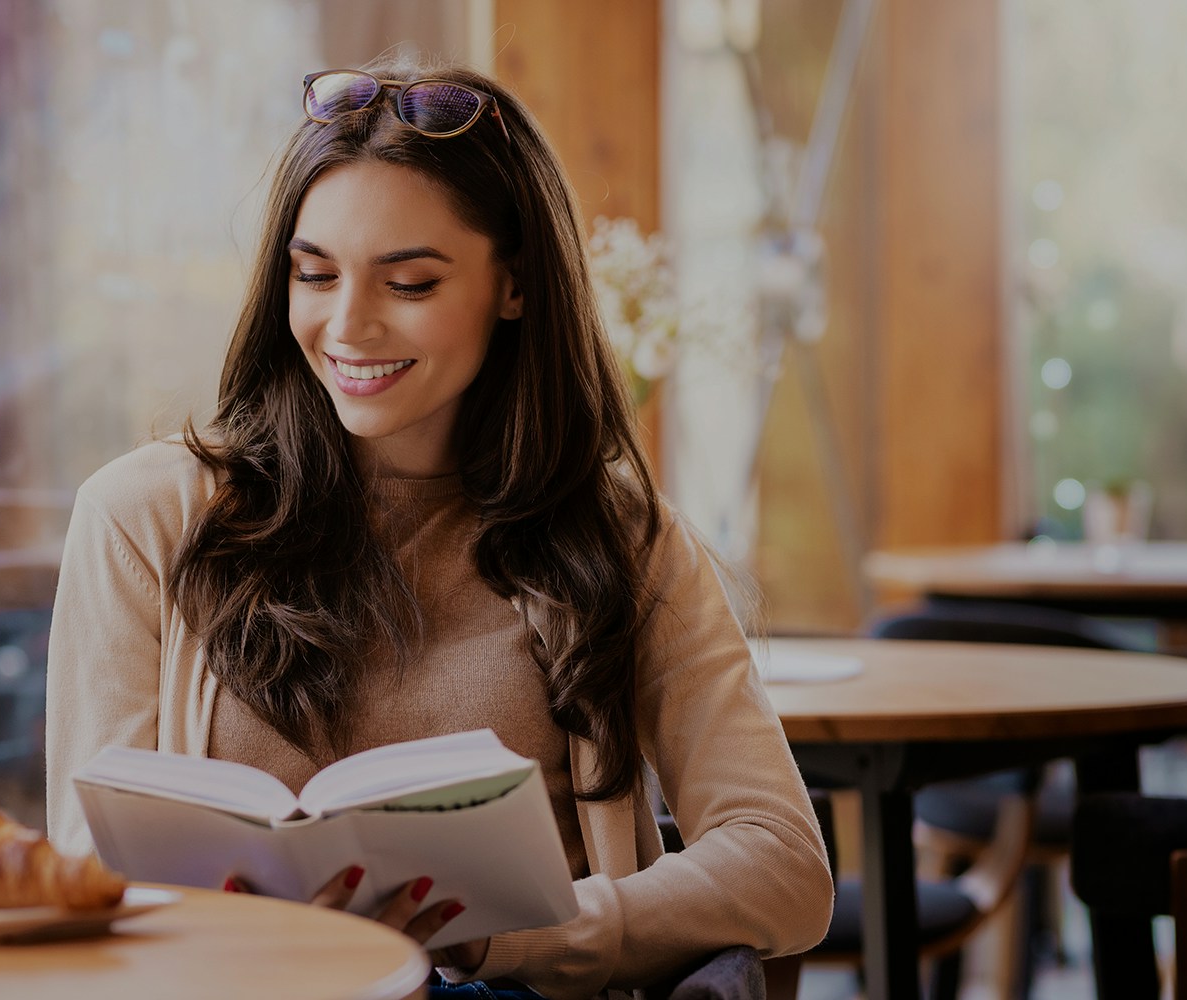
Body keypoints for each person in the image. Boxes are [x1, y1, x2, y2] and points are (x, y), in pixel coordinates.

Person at [46, 59, 832, 999]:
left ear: (515, 285)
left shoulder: (621, 539)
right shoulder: (144, 520)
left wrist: (517, 940)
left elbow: (784, 863)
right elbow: (91, 871)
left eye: (409, 283)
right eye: (314, 274)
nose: (347, 326)